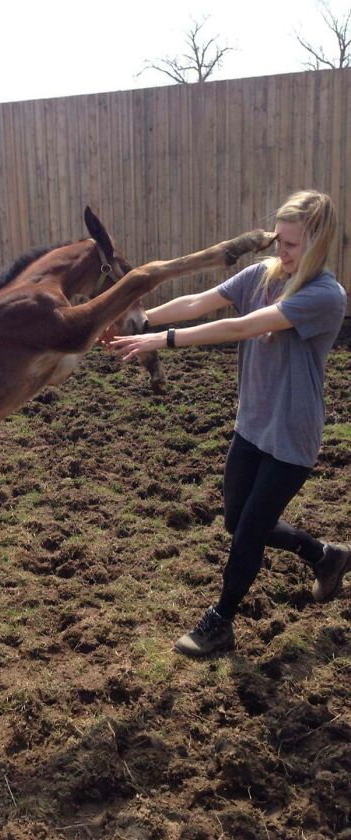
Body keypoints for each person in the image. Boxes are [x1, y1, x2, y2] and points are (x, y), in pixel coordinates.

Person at [103, 190, 349, 657]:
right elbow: (199, 301)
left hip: (292, 437)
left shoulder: (324, 295)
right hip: (252, 424)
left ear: (318, 243)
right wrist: (140, 320)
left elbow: (243, 327)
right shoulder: (261, 274)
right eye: (280, 241)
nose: (283, 251)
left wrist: (164, 340)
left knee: (251, 532)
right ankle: (326, 556)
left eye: (293, 245)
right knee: (238, 522)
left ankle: (220, 621)